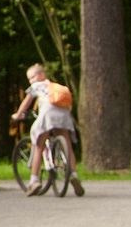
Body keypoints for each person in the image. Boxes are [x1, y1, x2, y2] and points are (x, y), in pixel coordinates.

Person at [9, 62, 82, 196]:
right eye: (29, 79)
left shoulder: (37, 86)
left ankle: (34, 180)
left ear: (42, 75)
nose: (31, 81)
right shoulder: (56, 86)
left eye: (32, 77)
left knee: (38, 146)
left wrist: (18, 115)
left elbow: (27, 102)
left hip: (48, 114)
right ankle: (73, 174)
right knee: (68, 146)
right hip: (64, 114)